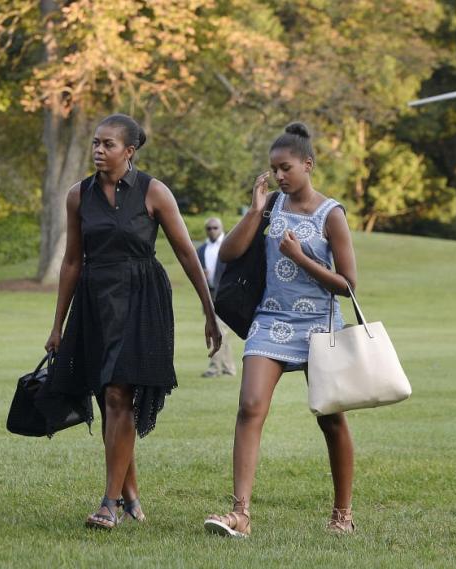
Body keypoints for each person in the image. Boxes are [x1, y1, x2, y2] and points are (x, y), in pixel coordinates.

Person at [45, 113, 221, 530]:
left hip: (142, 299)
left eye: (107, 144)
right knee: (111, 398)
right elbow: (71, 261)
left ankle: (109, 503)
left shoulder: (154, 192)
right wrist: (58, 325)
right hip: (95, 301)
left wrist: (210, 312)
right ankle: (131, 496)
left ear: (130, 151)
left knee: (120, 394)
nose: (98, 151)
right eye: (95, 143)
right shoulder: (78, 195)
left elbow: (185, 253)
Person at [204, 122, 358, 537]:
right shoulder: (270, 206)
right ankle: (240, 514)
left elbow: (347, 285)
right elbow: (230, 256)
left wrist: (302, 257)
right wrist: (255, 211)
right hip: (271, 320)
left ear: (308, 164)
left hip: (320, 327)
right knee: (250, 406)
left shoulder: (332, 214)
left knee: (331, 419)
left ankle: (342, 514)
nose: (279, 176)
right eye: (274, 169)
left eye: (286, 167)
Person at [196, 218, 238, 377]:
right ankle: (229, 368)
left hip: (226, 293)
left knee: (219, 329)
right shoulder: (201, 250)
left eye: (215, 227)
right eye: (209, 228)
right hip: (209, 293)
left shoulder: (230, 245)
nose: (212, 230)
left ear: (221, 228)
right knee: (220, 331)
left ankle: (214, 368)